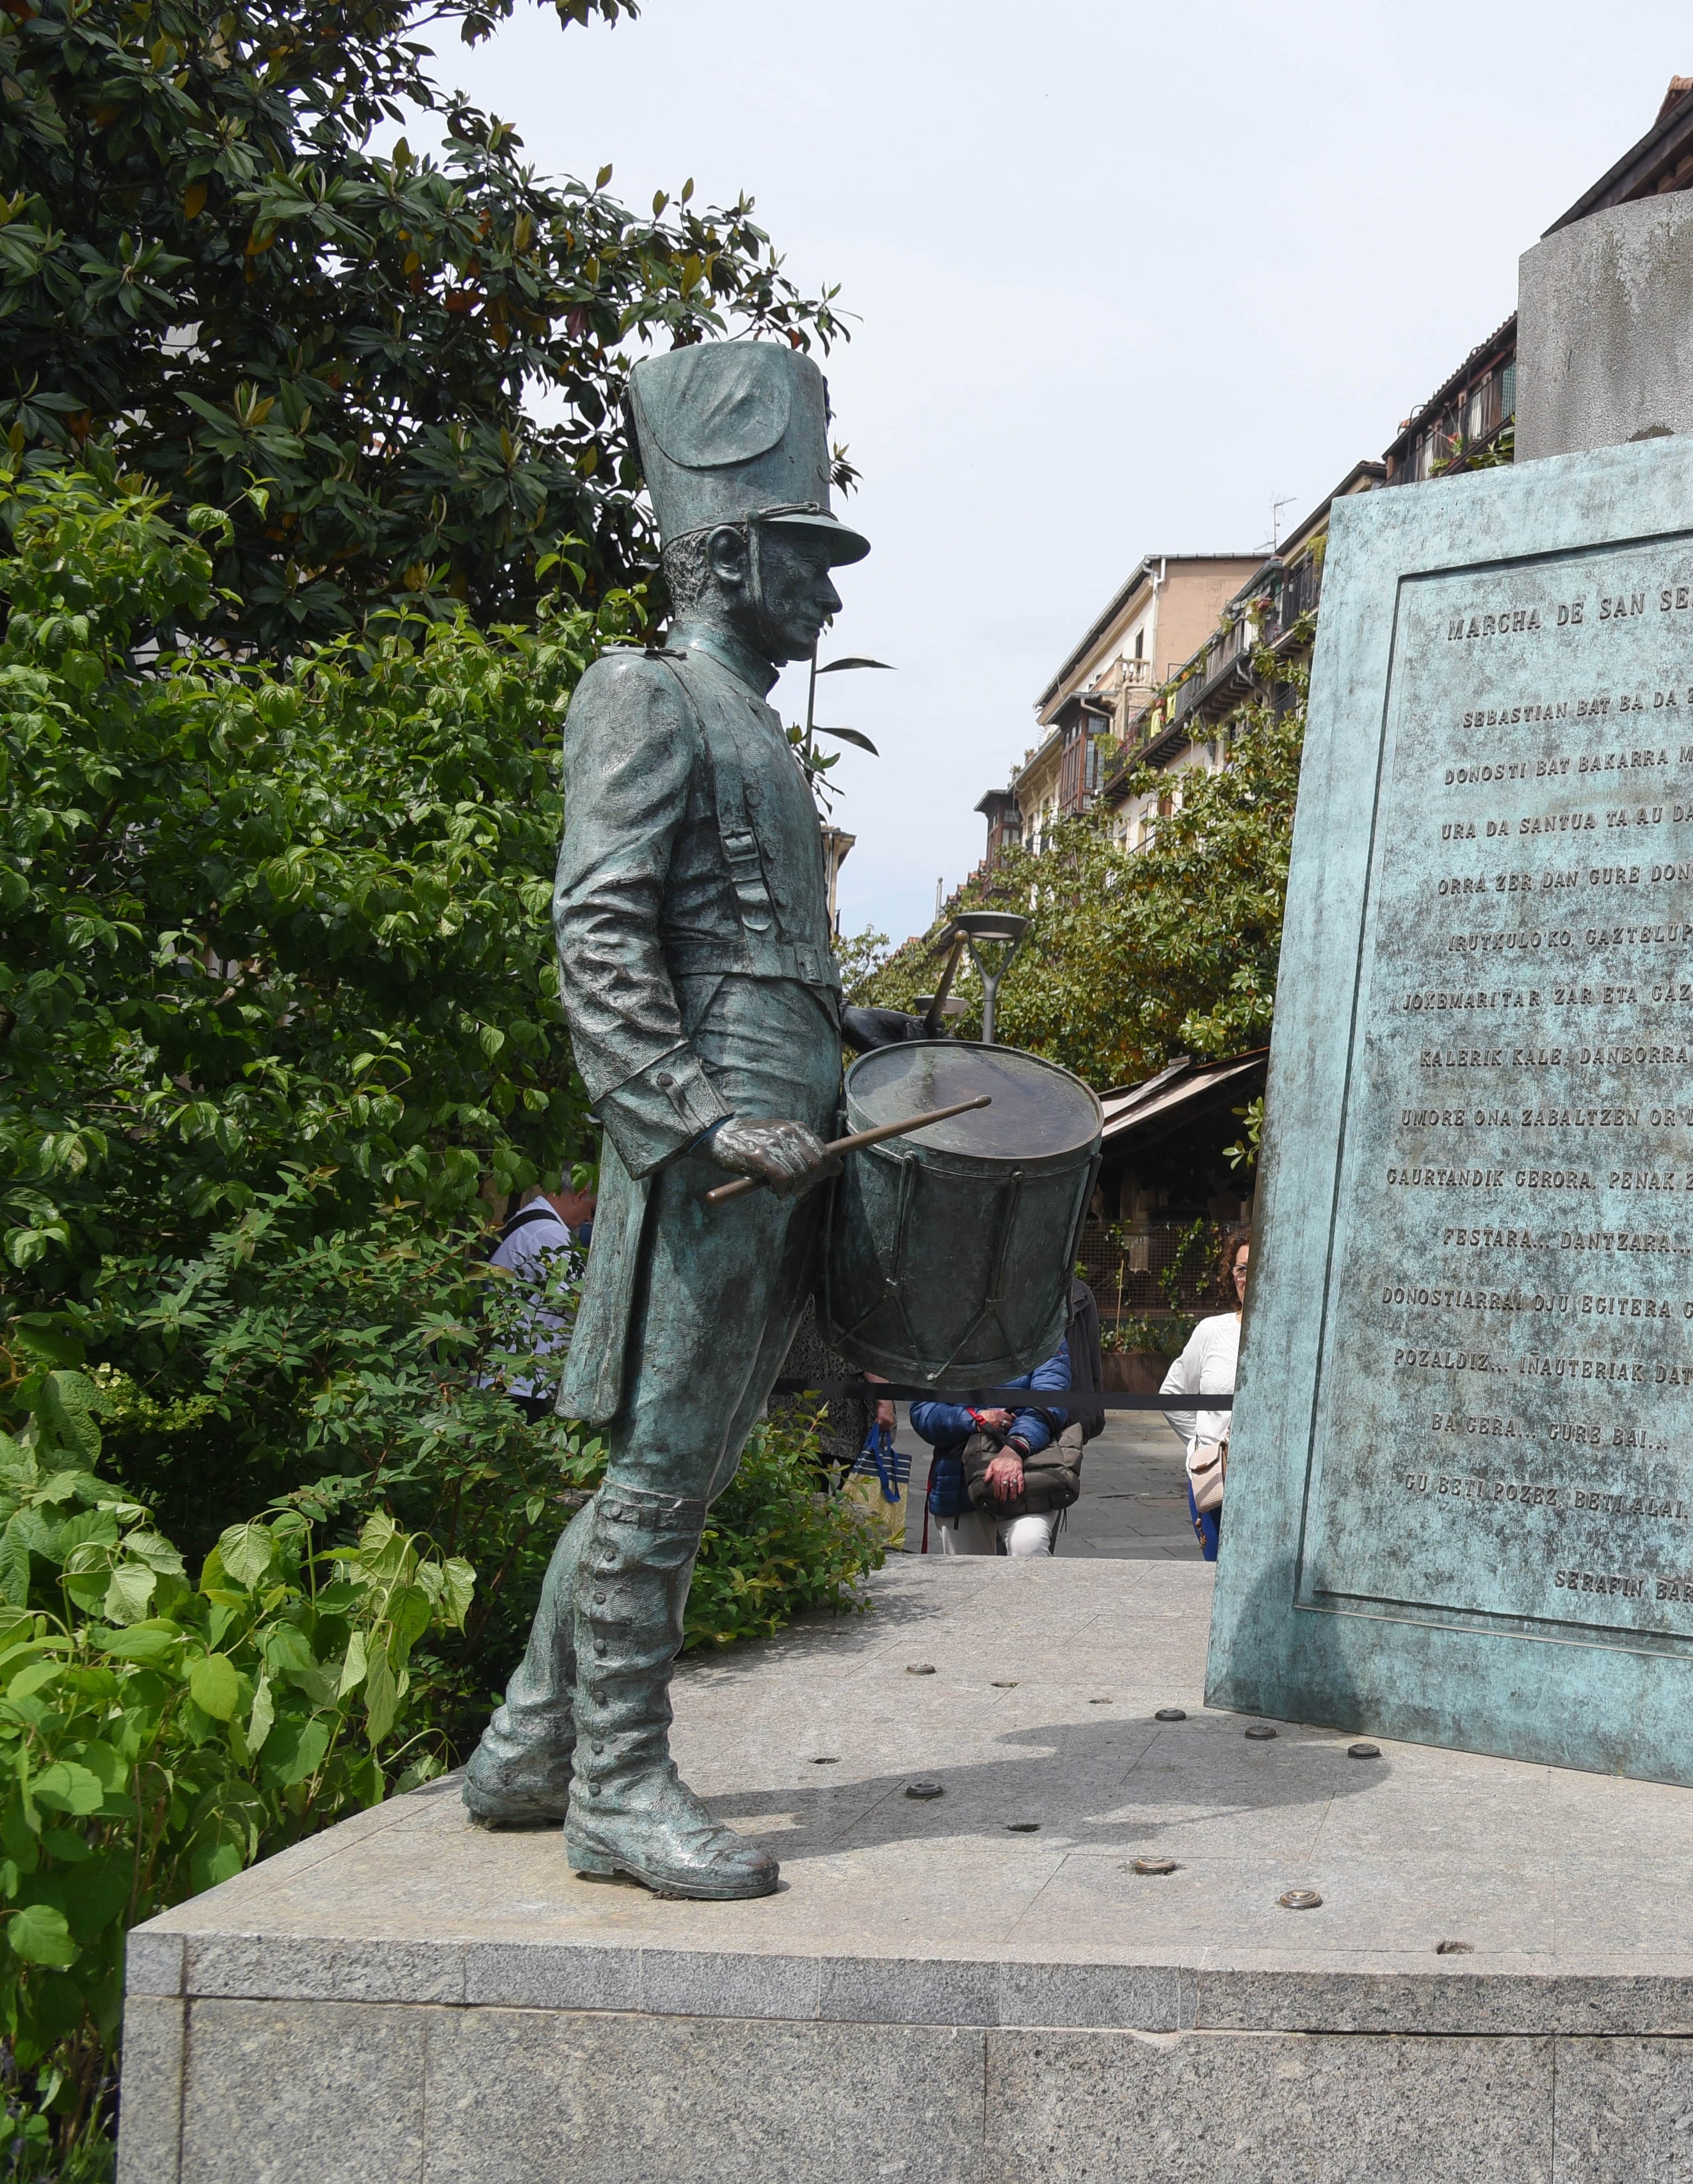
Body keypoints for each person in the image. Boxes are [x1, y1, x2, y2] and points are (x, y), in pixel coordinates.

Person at [456, 341, 872, 1902]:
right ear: (729, 550)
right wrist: (697, 1120)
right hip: (713, 1145)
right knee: (659, 1469)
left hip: (788, 1123)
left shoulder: (759, 725)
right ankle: (618, 1786)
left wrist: (854, 1046)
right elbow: (601, 936)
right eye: (806, 561)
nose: (828, 600)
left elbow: (762, 952)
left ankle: (525, 1743)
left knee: (673, 1468)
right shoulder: (644, 694)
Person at [911, 1338, 1080, 1557]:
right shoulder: (941, 1332)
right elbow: (924, 1410)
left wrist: (1016, 1446)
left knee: (1029, 1545)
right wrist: (974, 1420)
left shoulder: (1044, 1326)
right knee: (966, 1576)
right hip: (958, 1477)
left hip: (1030, 1473)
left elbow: (1050, 1397)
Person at [1159, 1231, 1245, 1561]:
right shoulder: (1211, 1332)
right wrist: (1201, 1445)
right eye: (1241, 1269)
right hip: (1214, 1477)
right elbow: (1172, 1394)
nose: (1247, 1278)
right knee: (1215, 1572)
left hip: (1270, 1480)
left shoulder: (1295, 1334)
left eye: (1256, 1267)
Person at [488, 1182, 595, 1418]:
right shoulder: (548, 1233)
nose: (589, 1218)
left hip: (514, 1373)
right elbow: (584, 1299)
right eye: (592, 1209)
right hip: (523, 1380)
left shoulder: (530, 1218)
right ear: (580, 1196)